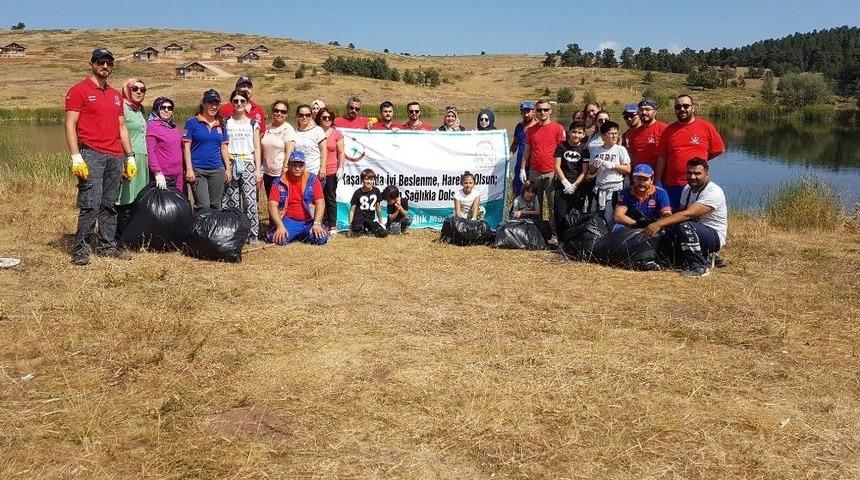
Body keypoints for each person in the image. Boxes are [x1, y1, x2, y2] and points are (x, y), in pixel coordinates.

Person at [65, 48, 135, 265]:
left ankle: (107, 246)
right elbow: (70, 124)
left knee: (109, 204)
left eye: (109, 63)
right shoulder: (79, 91)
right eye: (100, 62)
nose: (105, 66)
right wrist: (76, 156)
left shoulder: (115, 95)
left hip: (115, 155)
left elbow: (122, 127)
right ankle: (81, 250)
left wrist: (129, 156)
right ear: (92, 64)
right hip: (91, 153)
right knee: (90, 204)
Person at [643, 158, 727, 277]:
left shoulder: (714, 192)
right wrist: (661, 226)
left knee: (683, 224)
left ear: (707, 174)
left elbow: (688, 214)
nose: (692, 177)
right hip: (692, 230)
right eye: (689, 173)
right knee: (667, 232)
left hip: (713, 235)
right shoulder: (687, 189)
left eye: (697, 173)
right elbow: (680, 213)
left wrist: (659, 224)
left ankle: (699, 266)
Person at [656, 94, 725, 210]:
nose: (682, 109)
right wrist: (658, 180)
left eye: (685, 106)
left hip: (696, 184)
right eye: (678, 107)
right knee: (671, 218)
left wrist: (699, 162)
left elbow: (719, 149)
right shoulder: (669, 130)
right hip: (672, 184)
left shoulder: (706, 126)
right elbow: (661, 157)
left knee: (692, 219)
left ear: (693, 108)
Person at [223, 90, 262, 244]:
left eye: (242, 101)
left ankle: (252, 234)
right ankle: (234, 232)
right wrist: (227, 167)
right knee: (232, 200)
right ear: (232, 102)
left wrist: (258, 170)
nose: (239, 104)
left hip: (248, 163)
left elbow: (257, 147)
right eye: (236, 101)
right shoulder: (226, 122)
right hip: (231, 162)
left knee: (250, 201)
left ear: (247, 103)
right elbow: (224, 146)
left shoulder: (253, 124)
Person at [520, 99, 565, 233]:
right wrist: (522, 168)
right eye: (539, 110)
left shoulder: (558, 128)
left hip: (552, 172)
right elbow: (527, 150)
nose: (542, 112)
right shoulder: (531, 130)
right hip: (535, 172)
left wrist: (560, 172)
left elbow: (562, 151)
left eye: (545, 109)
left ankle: (554, 232)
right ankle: (538, 232)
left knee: (552, 205)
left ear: (550, 111)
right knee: (535, 204)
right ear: (535, 112)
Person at [183, 89, 231, 212]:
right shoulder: (192, 123)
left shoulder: (221, 124)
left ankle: (212, 230)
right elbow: (186, 147)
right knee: (203, 205)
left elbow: (224, 147)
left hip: (217, 170)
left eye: (216, 103)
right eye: (210, 103)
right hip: (198, 170)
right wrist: (189, 169)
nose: (213, 106)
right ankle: (200, 230)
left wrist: (228, 169)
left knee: (215, 205)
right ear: (203, 103)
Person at [266, 150, 328, 245]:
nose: (298, 168)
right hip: (288, 220)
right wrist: (280, 226)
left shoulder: (313, 179)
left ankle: (303, 234)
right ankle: (294, 234)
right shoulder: (278, 182)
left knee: (321, 238)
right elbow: (272, 205)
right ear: (288, 165)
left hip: (309, 220)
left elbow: (320, 202)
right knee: (279, 240)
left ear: (304, 166)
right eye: (294, 165)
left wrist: (317, 224)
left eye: (301, 165)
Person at [589, 120, 631, 225]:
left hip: (615, 188)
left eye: (616, 133)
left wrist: (613, 165)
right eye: (611, 133)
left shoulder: (620, 149)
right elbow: (592, 171)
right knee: (598, 216)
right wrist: (595, 164)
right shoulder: (596, 150)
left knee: (611, 217)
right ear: (603, 136)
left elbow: (628, 169)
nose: (614, 136)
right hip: (600, 187)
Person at [117, 78, 149, 210]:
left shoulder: (140, 109)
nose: (139, 92)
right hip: (128, 157)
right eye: (135, 89)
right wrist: (123, 161)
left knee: (139, 196)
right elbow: (118, 132)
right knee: (124, 198)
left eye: (142, 90)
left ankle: (134, 229)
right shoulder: (122, 107)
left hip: (142, 158)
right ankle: (119, 230)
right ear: (128, 90)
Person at [553, 120, 591, 227]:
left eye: (579, 133)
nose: (576, 135)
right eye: (574, 132)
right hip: (562, 186)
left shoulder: (585, 150)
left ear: (583, 135)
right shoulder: (561, 146)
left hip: (577, 187)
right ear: (569, 132)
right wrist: (565, 182)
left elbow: (584, 171)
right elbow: (557, 166)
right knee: (560, 214)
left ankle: (573, 240)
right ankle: (560, 239)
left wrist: (574, 186)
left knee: (575, 214)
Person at [613, 164, 672, 229]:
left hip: (654, 227)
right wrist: (636, 223)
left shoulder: (661, 193)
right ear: (633, 179)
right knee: (617, 228)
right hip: (631, 225)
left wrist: (656, 224)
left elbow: (667, 215)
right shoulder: (625, 192)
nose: (642, 183)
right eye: (639, 179)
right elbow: (618, 216)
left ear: (651, 180)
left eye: (645, 180)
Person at [146, 96, 184, 191]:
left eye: (170, 108)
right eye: (163, 107)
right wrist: (157, 172)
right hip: (163, 175)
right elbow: (150, 150)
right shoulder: (152, 126)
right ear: (157, 108)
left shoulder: (173, 127)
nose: (167, 110)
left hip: (178, 174)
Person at [316, 107, 345, 232]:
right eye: (324, 117)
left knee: (330, 197)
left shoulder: (336, 134)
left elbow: (341, 152)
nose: (327, 120)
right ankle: (321, 222)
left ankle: (332, 224)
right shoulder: (315, 132)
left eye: (329, 118)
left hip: (332, 171)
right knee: (318, 197)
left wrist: (341, 167)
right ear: (319, 119)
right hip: (317, 170)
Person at [261, 100, 296, 200]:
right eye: (276, 110)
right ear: (272, 112)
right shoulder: (267, 128)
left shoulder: (288, 129)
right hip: (267, 172)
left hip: (280, 173)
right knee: (271, 201)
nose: (279, 113)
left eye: (283, 111)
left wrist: (285, 169)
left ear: (287, 114)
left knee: (281, 202)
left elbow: (289, 152)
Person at [626, 98, 667, 170]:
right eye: (641, 110)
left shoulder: (665, 129)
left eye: (648, 109)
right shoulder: (634, 133)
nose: (644, 112)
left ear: (655, 112)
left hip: (658, 176)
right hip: (638, 176)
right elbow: (632, 156)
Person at [349, 168, 387, 237]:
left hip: (370, 219)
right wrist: (350, 225)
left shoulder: (376, 191)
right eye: (366, 179)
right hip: (359, 219)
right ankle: (362, 231)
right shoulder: (357, 193)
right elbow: (352, 210)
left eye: (371, 179)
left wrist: (380, 222)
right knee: (357, 230)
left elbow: (378, 208)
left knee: (383, 233)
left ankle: (367, 230)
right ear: (362, 180)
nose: (369, 182)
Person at [509, 101, 537, 197]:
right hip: (519, 165)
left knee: (532, 194)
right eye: (523, 112)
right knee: (518, 192)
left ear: (533, 112)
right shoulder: (519, 126)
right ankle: (517, 211)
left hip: (533, 167)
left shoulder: (538, 126)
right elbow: (515, 143)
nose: (526, 114)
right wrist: (510, 154)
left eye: (528, 111)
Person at [293, 104, 327, 178]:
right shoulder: (294, 132)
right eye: (301, 115)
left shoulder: (318, 131)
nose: (304, 117)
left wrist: (323, 168)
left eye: (307, 115)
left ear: (311, 116)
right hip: (299, 174)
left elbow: (323, 150)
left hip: (315, 173)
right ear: (297, 116)